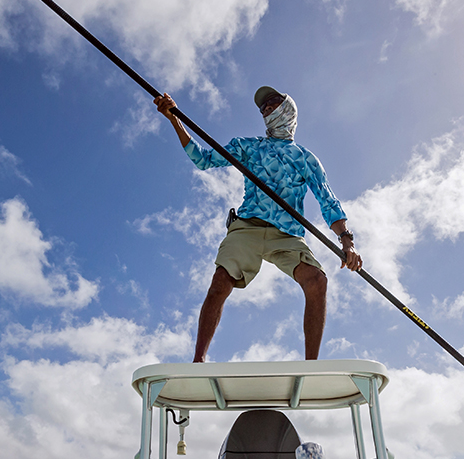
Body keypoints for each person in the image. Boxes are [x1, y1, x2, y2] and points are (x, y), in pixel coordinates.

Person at [154, 86, 362, 362]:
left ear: (289, 110)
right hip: (247, 227)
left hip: (287, 235)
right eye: (263, 108)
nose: (266, 109)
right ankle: (199, 360)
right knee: (220, 282)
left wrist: (347, 242)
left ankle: (311, 364)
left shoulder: (305, 158)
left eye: (273, 103)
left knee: (317, 281)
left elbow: (328, 201)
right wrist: (174, 119)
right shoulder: (248, 147)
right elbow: (203, 160)